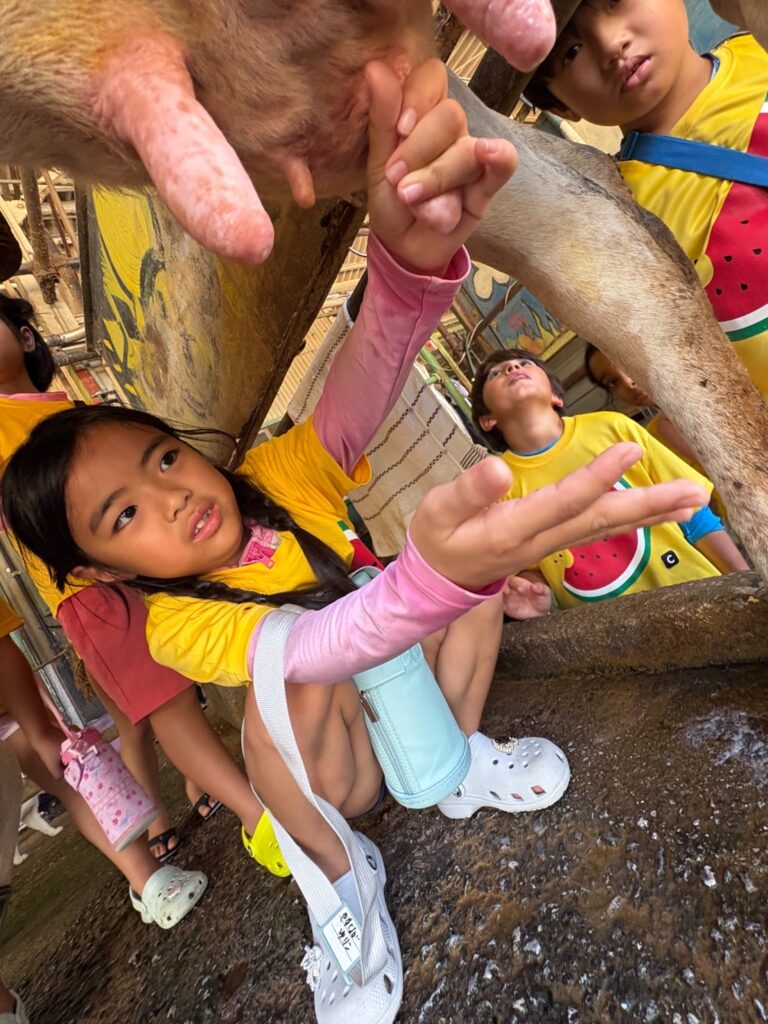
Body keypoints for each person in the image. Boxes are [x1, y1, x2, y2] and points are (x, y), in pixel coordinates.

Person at [1, 58, 709, 1024]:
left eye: (164, 458)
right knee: (278, 700)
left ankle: (459, 764)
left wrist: (404, 270)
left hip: (417, 712)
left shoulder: (275, 481)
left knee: (471, 576)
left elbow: (362, 386)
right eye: (123, 515)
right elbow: (318, 646)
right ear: (96, 570)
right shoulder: (174, 625)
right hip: (344, 777)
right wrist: (423, 582)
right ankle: (344, 885)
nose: (170, 497)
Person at [0, 291, 281, 873]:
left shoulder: (61, 408)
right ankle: (260, 820)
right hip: (88, 592)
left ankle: (229, 798)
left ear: (26, 337)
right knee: (168, 704)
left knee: (175, 693)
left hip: (137, 567)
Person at [523, 0, 768, 400]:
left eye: (617, 1)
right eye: (571, 52)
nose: (610, 44)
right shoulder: (618, 225)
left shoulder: (760, 41)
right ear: (560, 106)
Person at [469, 349, 749, 619]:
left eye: (524, 363)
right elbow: (533, 566)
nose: (513, 368)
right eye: (496, 373)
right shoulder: (498, 486)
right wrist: (533, 591)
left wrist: (745, 580)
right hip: (605, 631)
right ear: (487, 420)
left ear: (555, 396)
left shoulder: (613, 426)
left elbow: (695, 514)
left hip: (699, 592)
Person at [0, 594, 207, 929]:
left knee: (73, 778)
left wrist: (39, 731)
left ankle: (145, 877)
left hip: (9, 717)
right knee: (71, 775)